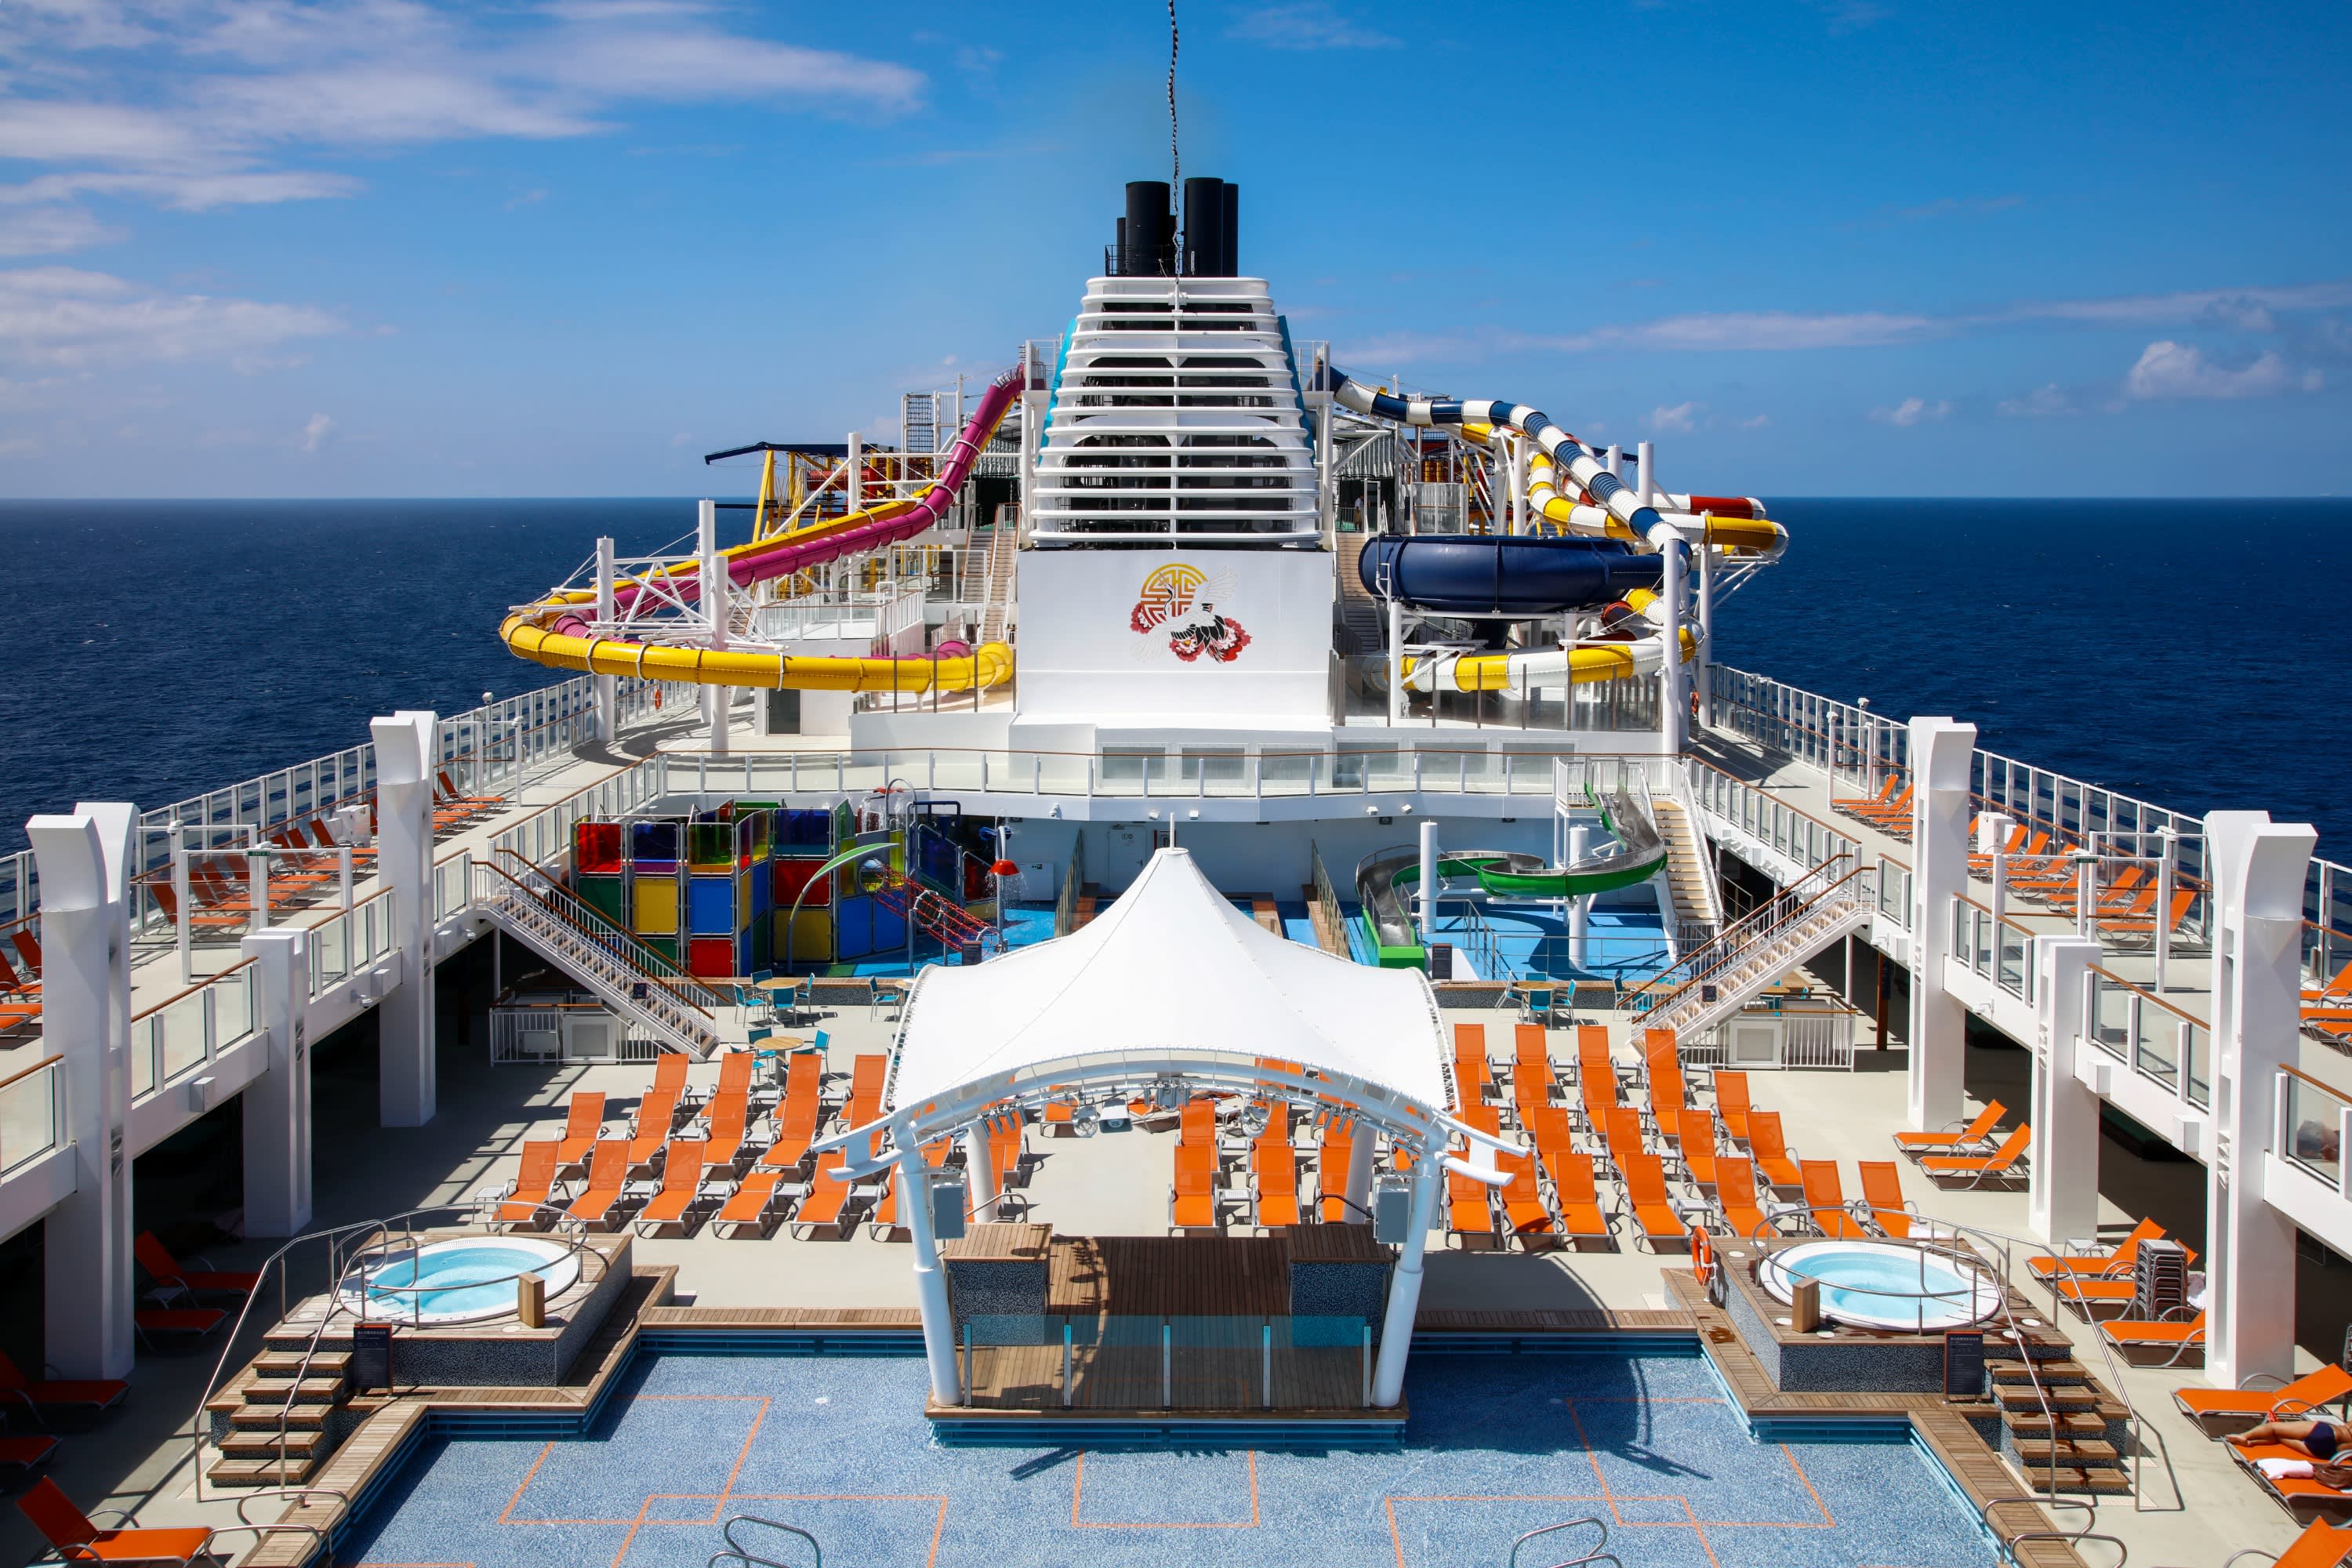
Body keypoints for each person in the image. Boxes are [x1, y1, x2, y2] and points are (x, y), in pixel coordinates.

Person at [2229, 1417, 2343, 1460]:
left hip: (2326, 1432)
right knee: (2279, 1437)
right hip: (2328, 1453)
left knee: (2273, 1427)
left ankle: (2245, 1436)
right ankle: (2250, 1442)